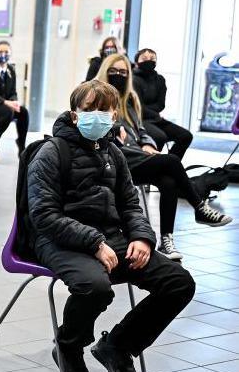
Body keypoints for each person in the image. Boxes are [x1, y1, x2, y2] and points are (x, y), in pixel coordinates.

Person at [27, 79, 196, 372]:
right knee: (95, 286)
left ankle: (118, 346)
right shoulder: (51, 152)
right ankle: (68, 347)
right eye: (89, 109)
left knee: (179, 283)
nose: (97, 116)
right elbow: (44, 215)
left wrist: (143, 238)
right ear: (74, 114)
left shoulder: (113, 153)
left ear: (115, 114)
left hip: (109, 239)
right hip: (60, 240)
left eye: (104, 110)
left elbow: (130, 203)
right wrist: (94, 242)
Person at [95, 54, 230, 260]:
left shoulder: (130, 99)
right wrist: (114, 129)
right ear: (105, 70)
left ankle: (167, 240)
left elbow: (140, 129)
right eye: (113, 71)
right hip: (112, 159)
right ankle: (199, 207)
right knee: (171, 161)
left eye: (123, 72)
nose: (119, 76)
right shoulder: (95, 96)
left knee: (168, 181)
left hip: (135, 156)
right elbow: (91, 126)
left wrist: (147, 142)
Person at [133, 48, 193, 159]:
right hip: (140, 120)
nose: (149, 60)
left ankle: (170, 166)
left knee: (186, 136)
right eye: (144, 58)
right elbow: (138, 107)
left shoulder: (160, 79)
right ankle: (153, 167)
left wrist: (152, 112)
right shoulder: (133, 80)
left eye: (152, 58)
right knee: (160, 137)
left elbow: (161, 105)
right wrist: (154, 112)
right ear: (137, 62)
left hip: (156, 119)